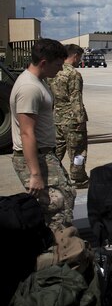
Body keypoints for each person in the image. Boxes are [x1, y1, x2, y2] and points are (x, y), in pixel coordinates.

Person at [10, 39, 75, 232]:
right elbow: (26, 132)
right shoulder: (29, 88)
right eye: (58, 65)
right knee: (55, 206)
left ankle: (65, 247)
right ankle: (58, 252)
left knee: (66, 196)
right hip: (34, 156)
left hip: (45, 153)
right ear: (44, 63)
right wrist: (35, 174)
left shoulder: (39, 82)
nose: (60, 70)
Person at [49, 44, 89, 188]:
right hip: (72, 120)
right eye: (80, 58)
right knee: (78, 152)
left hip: (57, 118)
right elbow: (75, 98)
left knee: (56, 151)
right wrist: (80, 119)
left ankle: (53, 176)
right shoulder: (73, 74)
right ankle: (79, 179)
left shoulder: (53, 72)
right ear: (75, 56)